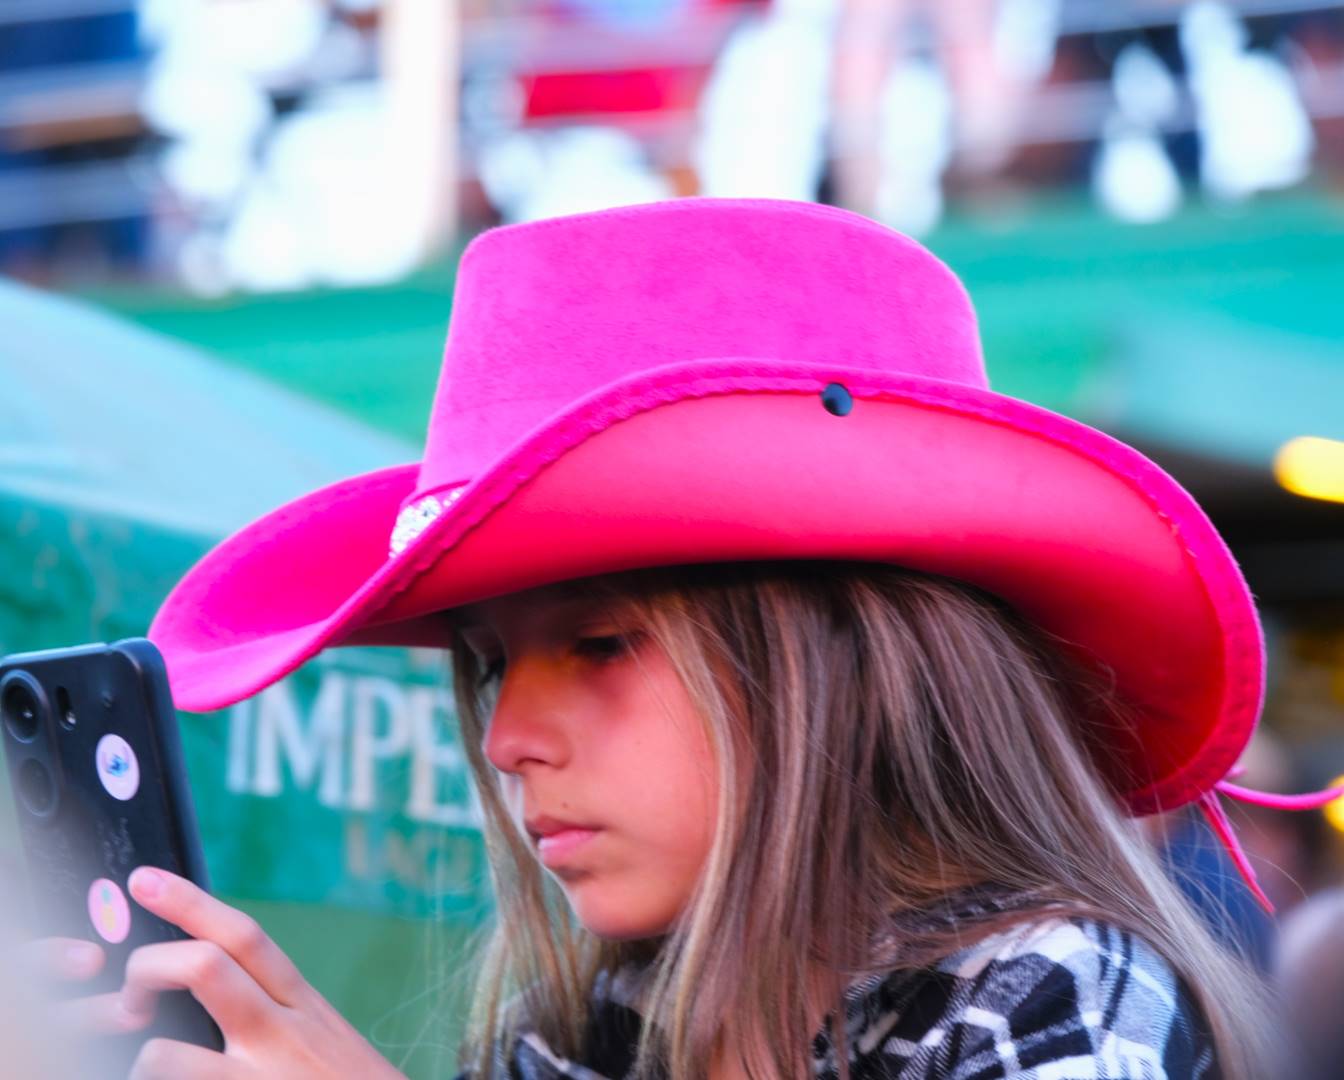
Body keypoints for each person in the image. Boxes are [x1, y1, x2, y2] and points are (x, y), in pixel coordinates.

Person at [32, 198, 1282, 1078]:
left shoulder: (1044, 989)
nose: (507, 738)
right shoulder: (571, 1040)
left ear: (843, 665)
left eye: (599, 644)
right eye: (487, 664)